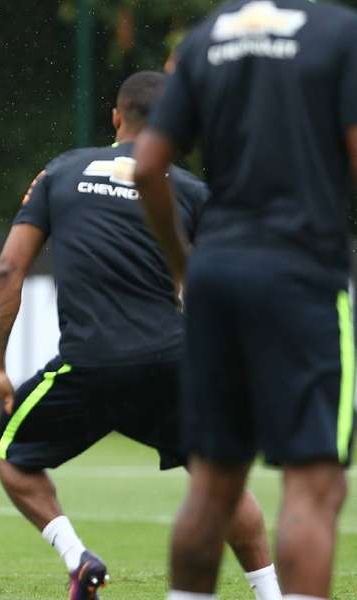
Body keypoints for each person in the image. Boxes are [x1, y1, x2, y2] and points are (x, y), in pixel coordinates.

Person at [0, 72, 282, 600]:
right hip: (173, 362)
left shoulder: (62, 172)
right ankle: (271, 593)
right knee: (218, 481)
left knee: (8, 450)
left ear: (116, 117)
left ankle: (78, 558)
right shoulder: (191, 191)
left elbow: (7, 272)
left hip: (88, 365)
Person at [133, 1, 357, 598]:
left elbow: (147, 166)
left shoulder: (207, 39)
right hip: (302, 273)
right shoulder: (340, 33)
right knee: (314, 486)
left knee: (213, 484)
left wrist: (185, 263)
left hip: (216, 276)